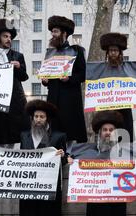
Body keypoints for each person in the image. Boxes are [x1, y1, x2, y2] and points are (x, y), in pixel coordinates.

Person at [68, 111, 136, 216]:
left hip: (116, 195)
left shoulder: (123, 150)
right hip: (95, 196)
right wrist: (70, 159)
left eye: (111, 130)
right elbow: (70, 154)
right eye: (105, 130)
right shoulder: (87, 149)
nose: (108, 133)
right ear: (99, 132)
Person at [18, 100, 67, 216]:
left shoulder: (58, 136)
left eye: (42, 116)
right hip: (28, 185)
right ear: (32, 118)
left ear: (47, 119)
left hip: (48, 186)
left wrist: (62, 155)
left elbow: (66, 160)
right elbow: (17, 158)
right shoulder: (24, 135)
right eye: (36, 116)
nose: (39, 119)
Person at [0, 19, 30, 147]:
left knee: (13, 135)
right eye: (5, 36)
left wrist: (19, 67)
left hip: (14, 101)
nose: (9, 39)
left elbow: (24, 77)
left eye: (10, 36)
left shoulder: (18, 56)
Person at [42, 16, 87, 144]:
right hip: (53, 100)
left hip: (70, 101)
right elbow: (48, 75)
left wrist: (69, 78)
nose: (53, 34)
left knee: (70, 135)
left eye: (55, 31)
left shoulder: (76, 51)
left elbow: (83, 74)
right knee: (54, 135)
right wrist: (45, 81)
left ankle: (69, 161)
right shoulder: (50, 52)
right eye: (52, 32)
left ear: (64, 33)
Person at [98, 32, 134, 141]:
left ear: (120, 53)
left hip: (124, 108)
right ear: (107, 53)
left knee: (124, 137)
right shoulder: (100, 69)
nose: (113, 53)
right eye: (111, 50)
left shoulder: (128, 70)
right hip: (107, 108)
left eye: (116, 50)